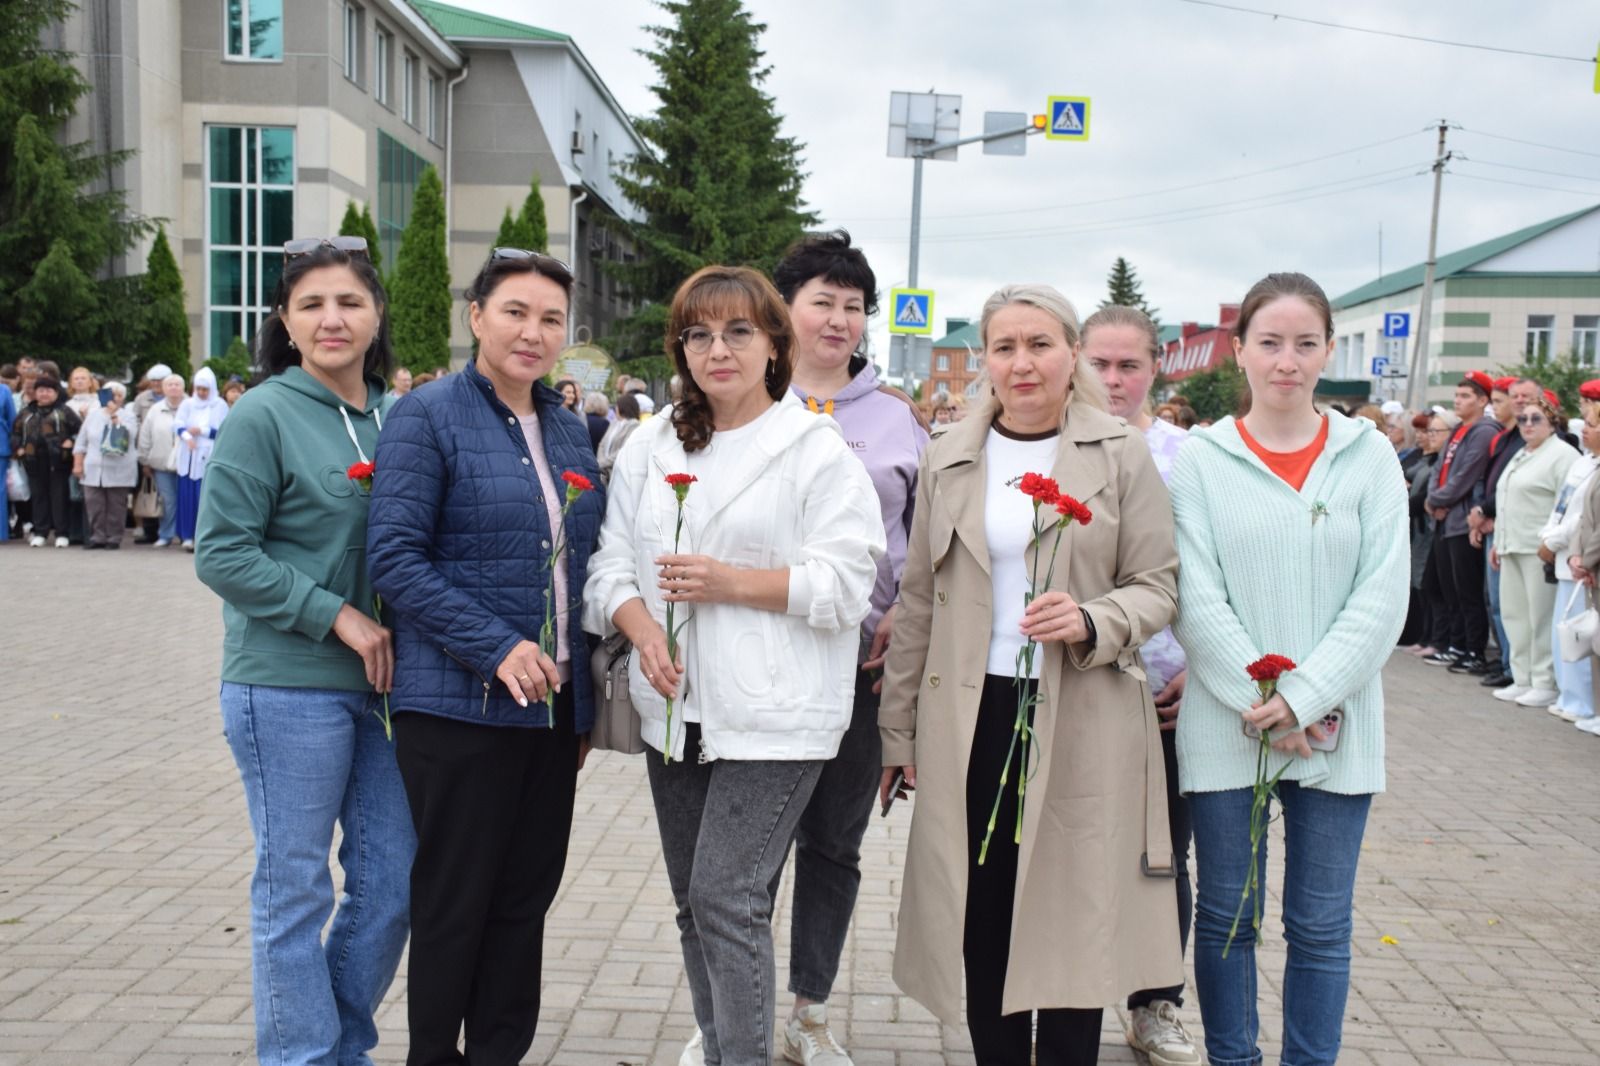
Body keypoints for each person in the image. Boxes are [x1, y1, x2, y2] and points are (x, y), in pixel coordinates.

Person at [584, 265, 884, 1066]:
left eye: (738, 332)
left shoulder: (813, 449)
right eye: (699, 334)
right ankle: (722, 1048)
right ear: (681, 348)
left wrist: (733, 583)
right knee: (694, 903)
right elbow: (610, 565)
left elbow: (848, 585)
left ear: (775, 345)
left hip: (777, 712)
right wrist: (642, 628)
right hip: (675, 707)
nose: (717, 350)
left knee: (727, 895)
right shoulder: (651, 445)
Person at [880, 284, 1182, 1066]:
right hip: (973, 715)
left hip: (1081, 710)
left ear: (1072, 353)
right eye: (1005, 346)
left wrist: (1091, 619)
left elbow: (1157, 585)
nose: (1023, 363)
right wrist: (897, 734)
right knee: (985, 916)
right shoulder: (950, 455)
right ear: (984, 358)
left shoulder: (1119, 453)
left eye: (1040, 344)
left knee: (1073, 917)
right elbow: (919, 603)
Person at [367, 248, 603, 1066]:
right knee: (455, 903)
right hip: (460, 709)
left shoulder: (569, 426)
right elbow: (394, 559)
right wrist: (496, 645)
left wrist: (583, 700)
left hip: (551, 714)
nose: (533, 333)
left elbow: (584, 561)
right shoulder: (427, 414)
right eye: (515, 312)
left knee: (522, 902)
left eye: (550, 319)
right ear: (476, 317)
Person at [1169, 272, 1408, 1066]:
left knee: (1320, 924)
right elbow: (1196, 595)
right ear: (1239, 350)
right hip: (1228, 720)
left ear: (1329, 350)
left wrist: (1305, 698)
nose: (1287, 361)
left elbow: (1381, 595)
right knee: (1228, 918)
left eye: (1306, 344)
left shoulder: (1368, 455)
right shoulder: (1202, 459)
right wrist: (1263, 701)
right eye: (1269, 343)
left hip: (1338, 724)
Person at [194, 235, 412, 1066]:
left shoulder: (401, 417)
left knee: (391, 887)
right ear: (284, 322)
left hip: (390, 691)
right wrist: (337, 616)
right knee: (295, 889)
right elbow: (222, 553)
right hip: (287, 687)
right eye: (311, 304)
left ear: (376, 314)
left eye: (350, 301)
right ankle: (302, 1058)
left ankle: (340, 1048)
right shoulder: (264, 414)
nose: (332, 318)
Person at [740, 230, 930, 1066]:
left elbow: (930, 545)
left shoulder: (897, 420)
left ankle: (807, 1012)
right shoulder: (749, 403)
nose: (839, 320)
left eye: (854, 307)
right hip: (760, 668)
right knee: (747, 853)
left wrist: (907, 614)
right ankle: (732, 1010)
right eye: (822, 301)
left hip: (860, 673)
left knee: (834, 845)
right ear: (784, 309)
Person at [1081, 304, 1203, 1066]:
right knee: (1064, 852)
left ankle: (1155, 1003)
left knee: (1161, 857)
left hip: (1163, 695)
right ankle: (1057, 994)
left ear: (1155, 368)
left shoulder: (1189, 458)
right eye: (1099, 363)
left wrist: (1202, 667)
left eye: (1130, 365)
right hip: (1074, 687)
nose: (1113, 380)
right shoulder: (1054, 445)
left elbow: (1216, 573)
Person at [1489, 388, 1579, 708]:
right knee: (1515, 616)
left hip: (1538, 548)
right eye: (1523, 419)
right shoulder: (1523, 451)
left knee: (1540, 618)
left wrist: (1552, 542)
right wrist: (1498, 540)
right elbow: (1506, 497)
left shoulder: (1563, 456)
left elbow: (1568, 506)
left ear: (1552, 422)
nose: (1527, 424)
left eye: (1535, 419)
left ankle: (1544, 681)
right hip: (1511, 543)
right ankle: (1522, 677)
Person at [1422, 371, 1499, 670]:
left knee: (1467, 590)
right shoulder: (1458, 430)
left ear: (1482, 401)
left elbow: (1467, 474)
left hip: (1461, 520)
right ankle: (1455, 644)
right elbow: (1439, 468)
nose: (1458, 400)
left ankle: (1472, 649)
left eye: (1466, 396)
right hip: (1445, 519)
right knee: (1448, 588)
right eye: (1457, 395)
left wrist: (1439, 500)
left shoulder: (1483, 432)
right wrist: (1433, 499)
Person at [1538, 392, 1600, 723]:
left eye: (1591, 424)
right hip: (1568, 558)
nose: (1584, 429)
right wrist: (1549, 536)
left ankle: (1584, 703)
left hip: (1581, 562)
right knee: (1565, 634)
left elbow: (1585, 520)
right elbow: (1563, 507)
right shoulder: (1583, 462)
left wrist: (1577, 554)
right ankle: (1569, 697)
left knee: (1584, 635)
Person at [1465, 376, 1523, 686]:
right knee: (1494, 600)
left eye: (1500, 401)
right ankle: (1504, 661)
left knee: (1508, 603)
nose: (1495, 407)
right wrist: (1479, 511)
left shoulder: (1522, 440)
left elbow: (1510, 488)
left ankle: (1514, 667)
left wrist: (1486, 511)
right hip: (1490, 522)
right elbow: (1484, 479)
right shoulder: (1502, 439)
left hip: (1508, 526)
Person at [1402, 410, 1453, 652]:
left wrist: (1411, 501)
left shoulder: (1441, 460)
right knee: (1420, 581)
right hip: (1419, 526)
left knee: (1429, 582)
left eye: (1433, 431)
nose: (1428, 436)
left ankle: (1436, 638)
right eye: (1425, 431)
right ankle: (1425, 637)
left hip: (1429, 525)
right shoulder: (1422, 457)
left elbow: (1428, 493)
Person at [10, 373, 80, 547]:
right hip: (33, 460)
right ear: (35, 392)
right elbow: (15, 433)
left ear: (56, 392)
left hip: (60, 460)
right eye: (41, 390)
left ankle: (62, 533)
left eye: (49, 390)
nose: (45, 394)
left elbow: (79, 431)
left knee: (59, 496)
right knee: (38, 496)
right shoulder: (26, 412)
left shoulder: (64, 411)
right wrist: (18, 448)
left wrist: (71, 441)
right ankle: (40, 531)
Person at [72, 380, 139, 549]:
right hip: (93, 467)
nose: (114, 398)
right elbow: (81, 441)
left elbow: (129, 434)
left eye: (118, 395)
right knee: (94, 505)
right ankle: (97, 536)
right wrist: (78, 464)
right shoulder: (93, 415)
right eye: (111, 395)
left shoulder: (128, 415)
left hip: (119, 468)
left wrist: (114, 415)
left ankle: (114, 537)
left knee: (116, 506)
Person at [173, 365, 230, 550]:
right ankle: (186, 535)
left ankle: (203, 537)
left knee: (203, 498)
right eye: (198, 389)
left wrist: (202, 430)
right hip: (189, 455)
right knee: (186, 497)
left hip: (207, 455)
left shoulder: (219, 405)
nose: (201, 393)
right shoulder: (188, 404)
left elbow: (223, 430)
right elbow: (178, 424)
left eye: (205, 389)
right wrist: (187, 436)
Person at [135, 374, 186, 547]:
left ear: (183, 388)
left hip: (187, 464)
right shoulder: (155, 410)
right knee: (167, 501)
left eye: (177, 384)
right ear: (163, 389)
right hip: (161, 463)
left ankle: (186, 534)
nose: (173, 387)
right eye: (170, 384)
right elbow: (145, 436)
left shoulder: (191, 406)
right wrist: (145, 460)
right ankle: (166, 534)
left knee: (186, 500)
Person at [597, 392, 642, 483]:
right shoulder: (614, 423)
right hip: (604, 472)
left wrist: (602, 463)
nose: (615, 409)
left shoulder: (634, 425)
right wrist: (600, 461)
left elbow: (623, 450)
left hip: (618, 472)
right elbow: (602, 444)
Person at [0, 367, 14, 541]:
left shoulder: (4, 391)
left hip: (1, 445)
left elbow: (12, 420)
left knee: (0, 491)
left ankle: (0, 531)